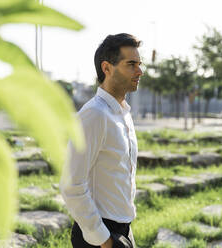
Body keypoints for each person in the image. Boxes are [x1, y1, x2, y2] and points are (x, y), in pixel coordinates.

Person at [60, 33, 142, 248]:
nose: (139, 71)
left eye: (139, 64)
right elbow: (71, 184)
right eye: (131, 64)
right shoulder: (94, 114)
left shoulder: (123, 113)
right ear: (107, 68)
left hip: (123, 228)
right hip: (99, 236)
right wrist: (104, 240)